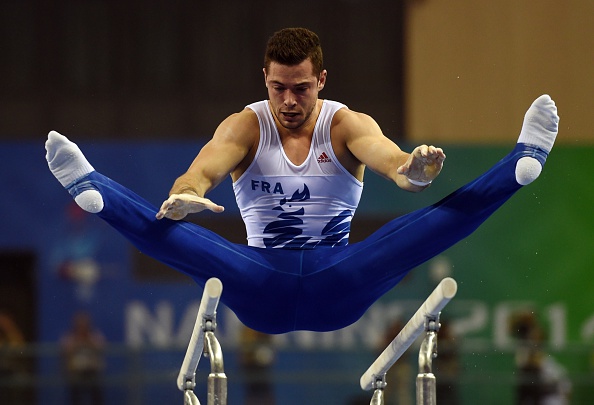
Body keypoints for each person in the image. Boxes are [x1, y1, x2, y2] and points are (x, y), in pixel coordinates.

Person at [45, 28, 559, 335]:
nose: (289, 101)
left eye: (301, 88)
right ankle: (95, 190)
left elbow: (394, 164)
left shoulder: (345, 124)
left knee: (425, 228)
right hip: (259, 279)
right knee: (175, 235)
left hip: (339, 278)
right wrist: (187, 194)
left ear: (322, 81)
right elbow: (201, 171)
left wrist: (415, 169)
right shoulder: (245, 124)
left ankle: (520, 163)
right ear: (264, 79)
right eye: (277, 88)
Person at [60, 311, 106, 405]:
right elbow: (65, 350)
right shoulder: (70, 337)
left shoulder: (95, 335)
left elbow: (101, 347)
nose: (82, 327)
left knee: (96, 392)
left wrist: (87, 340)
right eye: (80, 324)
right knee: (75, 392)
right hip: (76, 371)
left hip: (91, 370)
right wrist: (78, 342)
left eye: (84, 324)